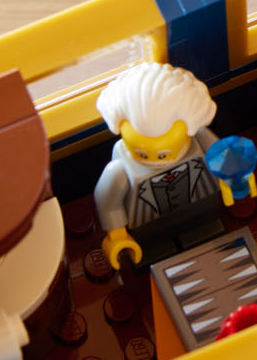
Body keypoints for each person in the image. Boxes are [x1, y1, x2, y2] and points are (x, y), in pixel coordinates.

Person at [93, 62, 226, 269]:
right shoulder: (120, 170)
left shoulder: (199, 139)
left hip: (201, 213)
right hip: (148, 231)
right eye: (143, 153)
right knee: (154, 257)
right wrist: (117, 235)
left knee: (208, 239)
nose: (155, 159)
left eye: (163, 153)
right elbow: (108, 200)